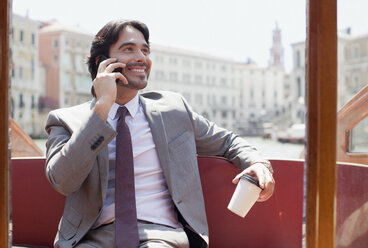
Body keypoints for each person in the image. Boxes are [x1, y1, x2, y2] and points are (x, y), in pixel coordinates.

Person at [45, 19, 275, 248]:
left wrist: (258, 162)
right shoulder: (65, 120)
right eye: (128, 49)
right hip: (92, 238)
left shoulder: (174, 110)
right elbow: (62, 181)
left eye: (145, 50)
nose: (141, 57)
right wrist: (102, 107)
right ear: (102, 62)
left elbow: (227, 141)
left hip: (161, 236)